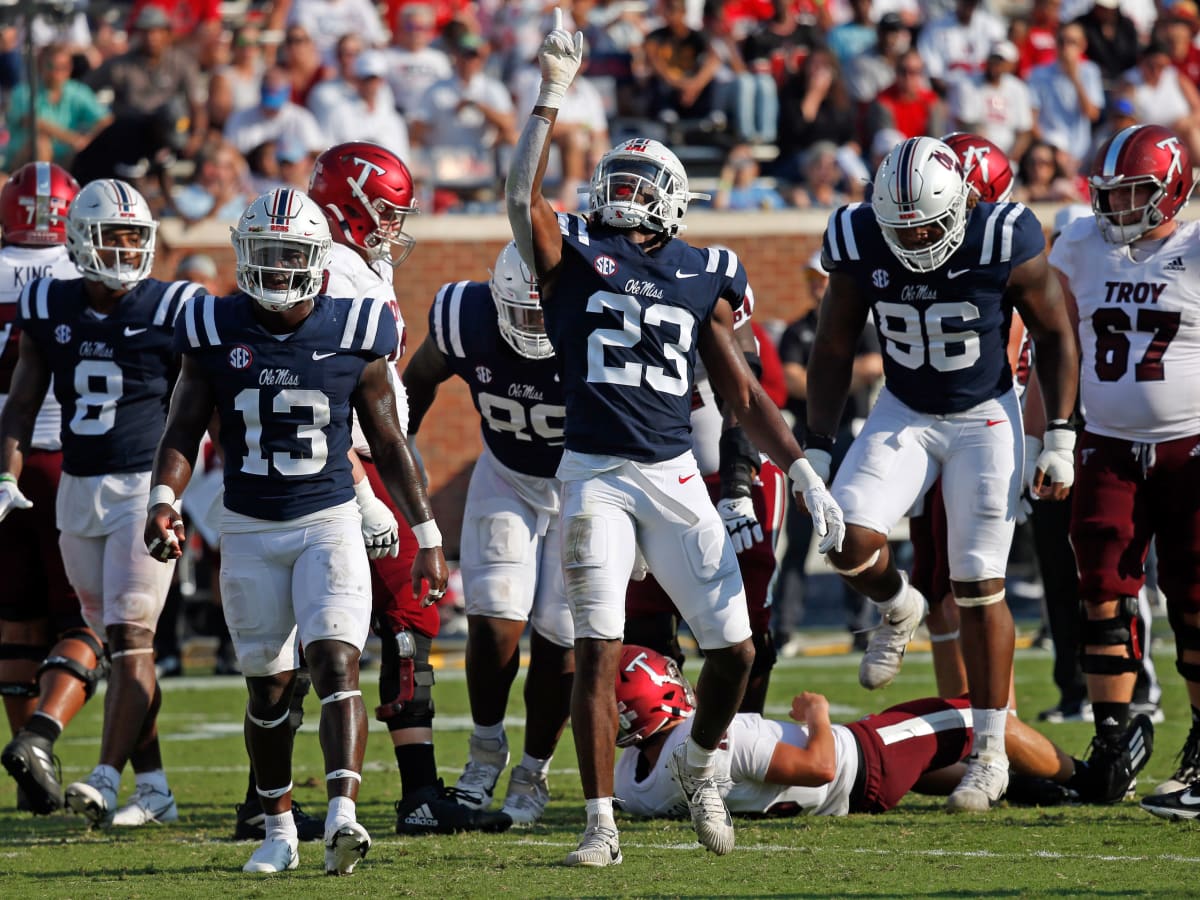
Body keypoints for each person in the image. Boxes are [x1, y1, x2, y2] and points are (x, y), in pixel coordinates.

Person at [505, 11, 844, 866]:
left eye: (634, 181)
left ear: (673, 198)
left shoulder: (707, 271)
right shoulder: (572, 254)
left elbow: (738, 392)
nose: (618, 192)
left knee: (734, 649)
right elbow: (520, 197)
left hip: (673, 472)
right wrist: (551, 94)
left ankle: (699, 765)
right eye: (611, 178)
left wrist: (802, 473)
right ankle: (599, 824)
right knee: (597, 647)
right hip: (595, 474)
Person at [144, 187, 448, 875]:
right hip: (248, 528)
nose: (279, 270)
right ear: (243, 254)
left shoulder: (356, 327)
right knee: (268, 690)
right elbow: (183, 427)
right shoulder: (213, 325)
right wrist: (163, 497)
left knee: (337, 661)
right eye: (267, 255)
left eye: (292, 256)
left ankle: (343, 814)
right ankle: (278, 828)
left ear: (317, 259)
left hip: (327, 519)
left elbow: (390, 442)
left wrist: (425, 530)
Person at [805, 135, 1081, 813]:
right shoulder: (858, 234)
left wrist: (1061, 436)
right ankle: (900, 607)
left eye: (929, 222)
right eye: (903, 228)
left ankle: (989, 753)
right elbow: (835, 343)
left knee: (979, 581)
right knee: (842, 537)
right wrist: (814, 446)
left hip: (983, 416)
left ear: (962, 203)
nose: (919, 238)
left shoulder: (1003, 234)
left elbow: (1055, 335)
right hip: (904, 410)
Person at [306, 141, 509, 837]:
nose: (395, 226)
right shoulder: (332, 271)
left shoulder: (350, 264)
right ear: (351, 206)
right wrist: (363, 492)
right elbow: (328, 394)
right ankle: (275, 797)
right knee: (335, 632)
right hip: (343, 468)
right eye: (385, 213)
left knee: (404, 620)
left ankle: (417, 792)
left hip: (360, 462)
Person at [0, 179, 204, 828]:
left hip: (144, 489)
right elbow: (22, 402)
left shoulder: (176, 306)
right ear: (80, 241)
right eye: (112, 236)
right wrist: (6, 476)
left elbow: (206, 401)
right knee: (118, 645)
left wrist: (186, 494)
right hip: (76, 490)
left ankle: (106, 778)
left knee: (129, 633)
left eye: (134, 237)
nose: (124, 249)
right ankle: (157, 788)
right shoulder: (47, 301)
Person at [1048, 124, 1200, 818]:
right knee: (1100, 590)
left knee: (1195, 594)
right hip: (1105, 442)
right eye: (1109, 194)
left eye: (1135, 192)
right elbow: (1053, 342)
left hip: (1188, 443)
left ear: (1172, 188)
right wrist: (1043, 435)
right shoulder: (1079, 244)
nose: (1119, 207)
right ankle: (1112, 740)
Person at [403, 241, 574, 827]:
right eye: (520, 314)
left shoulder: (600, 317)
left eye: (545, 312)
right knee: (494, 622)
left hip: (586, 487)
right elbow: (415, 382)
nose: (534, 327)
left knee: (562, 637)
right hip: (507, 475)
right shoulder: (464, 315)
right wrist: (403, 455)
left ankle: (533, 772)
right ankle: (485, 751)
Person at [612, 645, 1155, 816]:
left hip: (856, 787)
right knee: (982, 715)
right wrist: (818, 716)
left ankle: (1028, 785)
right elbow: (820, 766)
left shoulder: (632, 782)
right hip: (862, 759)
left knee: (938, 748)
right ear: (658, 692)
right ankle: (1091, 780)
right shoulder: (703, 743)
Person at [624, 273, 788, 716]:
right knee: (643, 629)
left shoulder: (709, 284)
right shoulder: (607, 287)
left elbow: (747, 393)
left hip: (730, 468)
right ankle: (666, 741)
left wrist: (737, 483)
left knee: (744, 622)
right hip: (655, 476)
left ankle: (741, 738)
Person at [0, 163, 100, 816]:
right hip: (67, 455)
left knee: (15, 622)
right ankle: (41, 742)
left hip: (0, 462)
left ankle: (27, 774)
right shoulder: (77, 272)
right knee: (90, 620)